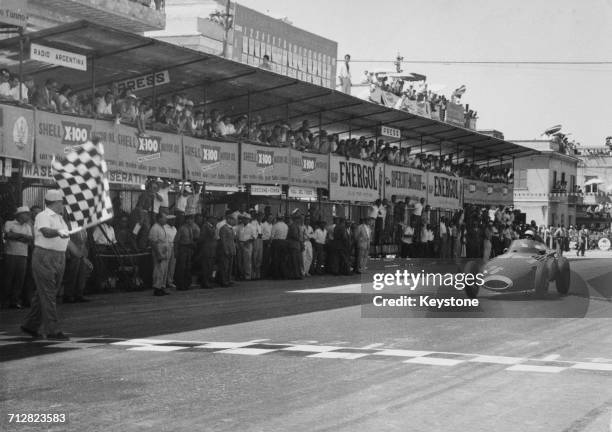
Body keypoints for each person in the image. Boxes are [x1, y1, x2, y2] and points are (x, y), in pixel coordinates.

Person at [21, 190, 70, 340]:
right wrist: (58, 232)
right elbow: (46, 232)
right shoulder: (43, 216)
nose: (63, 205)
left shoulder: (60, 218)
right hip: (45, 256)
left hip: (59, 256)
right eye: (62, 202)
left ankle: (30, 325)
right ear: (55, 202)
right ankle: (52, 330)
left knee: (45, 293)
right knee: (48, 294)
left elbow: (65, 238)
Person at [2, 206, 33, 309]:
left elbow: (29, 240)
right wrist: (23, 237)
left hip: (23, 255)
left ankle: (14, 301)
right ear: (20, 215)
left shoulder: (28, 226)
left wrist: (16, 236)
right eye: (26, 214)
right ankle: (3, 301)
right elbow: (7, 236)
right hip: (10, 254)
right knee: (7, 279)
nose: (28, 216)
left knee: (19, 279)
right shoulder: (9, 223)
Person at [63, 229, 92, 303]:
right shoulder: (71, 227)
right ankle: (68, 295)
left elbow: (84, 242)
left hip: (82, 253)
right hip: (73, 253)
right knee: (72, 274)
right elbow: (67, 241)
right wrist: (67, 253)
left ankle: (79, 294)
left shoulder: (84, 228)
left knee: (81, 274)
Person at [148, 212, 172, 296]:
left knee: (164, 270)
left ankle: (162, 287)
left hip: (165, 252)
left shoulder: (161, 227)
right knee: (159, 270)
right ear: (159, 219)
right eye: (164, 218)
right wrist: (158, 254)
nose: (166, 219)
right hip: (159, 251)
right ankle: (157, 288)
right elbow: (153, 242)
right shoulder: (155, 228)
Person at [174, 214, 198, 291]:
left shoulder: (190, 228)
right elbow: (176, 241)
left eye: (192, 219)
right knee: (182, 267)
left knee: (188, 267)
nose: (191, 221)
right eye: (190, 219)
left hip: (189, 249)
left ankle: (186, 284)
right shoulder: (182, 228)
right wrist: (176, 251)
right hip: (183, 249)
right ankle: (180, 284)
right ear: (186, 220)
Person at [217, 212, 236, 287]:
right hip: (225, 250)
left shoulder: (231, 228)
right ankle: (223, 281)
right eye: (232, 219)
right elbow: (223, 241)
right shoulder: (224, 228)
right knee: (225, 266)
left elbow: (232, 241)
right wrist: (226, 250)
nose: (234, 221)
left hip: (231, 249)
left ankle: (228, 279)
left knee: (229, 266)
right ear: (228, 219)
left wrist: (233, 249)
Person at [198, 215, 217, 288]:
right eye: (214, 219)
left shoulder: (211, 226)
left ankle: (208, 281)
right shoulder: (205, 226)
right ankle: (205, 282)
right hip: (207, 249)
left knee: (210, 267)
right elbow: (203, 238)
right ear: (210, 219)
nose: (215, 220)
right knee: (206, 266)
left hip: (212, 249)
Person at [286, 212, 304, 279]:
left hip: (296, 245)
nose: (300, 220)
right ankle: (295, 275)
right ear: (296, 219)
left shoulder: (296, 226)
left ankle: (296, 274)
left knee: (296, 261)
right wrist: (301, 242)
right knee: (295, 261)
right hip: (294, 245)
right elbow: (295, 236)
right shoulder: (293, 226)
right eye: (299, 219)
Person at [251, 213, 264, 280]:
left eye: (262, 216)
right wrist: (258, 235)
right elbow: (253, 233)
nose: (261, 217)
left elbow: (263, 234)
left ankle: (258, 274)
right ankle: (253, 274)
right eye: (260, 216)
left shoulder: (262, 224)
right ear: (257, 216)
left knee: (260, 256)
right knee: (254, 256)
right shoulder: (253, 223)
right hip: (255, 240)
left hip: (261, 240)